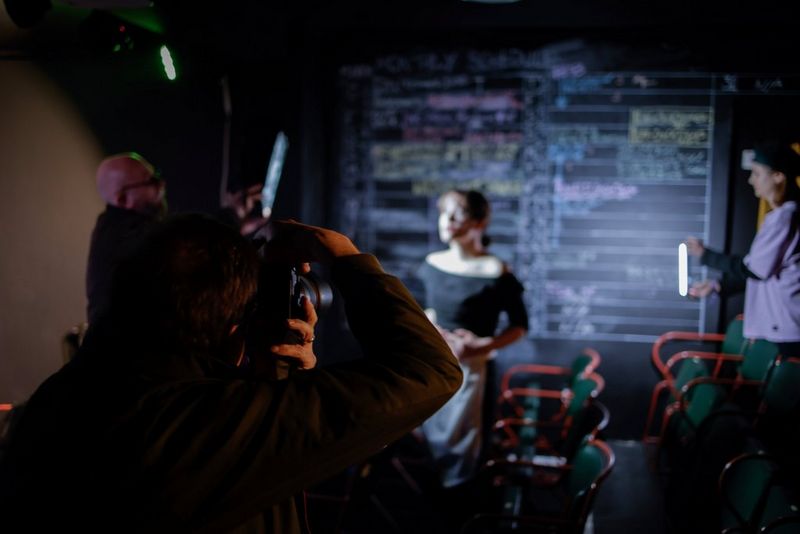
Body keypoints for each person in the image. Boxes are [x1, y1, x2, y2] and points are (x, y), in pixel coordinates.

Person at [0, 215, 462, 533]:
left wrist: (259, 383)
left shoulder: (60, 398)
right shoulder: (194, 423)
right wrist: (341, 255)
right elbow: (431, 368)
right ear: (236, 325)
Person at [418, 189, 528, 489]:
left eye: (459, 213)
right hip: (435, 363)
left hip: (474, 370)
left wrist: (481, 345)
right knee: (429, 444)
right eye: (444, 212)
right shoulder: (431, 263)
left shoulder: (496, 271)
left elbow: (520, 326)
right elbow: (428, 311)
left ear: (480, 222)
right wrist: (434, 329)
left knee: (466, 450)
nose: (448, 220)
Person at [687, 139, 800, 358]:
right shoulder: (783, 216)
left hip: (788, 329)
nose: (751, 180)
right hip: (784, 328)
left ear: (778, 176)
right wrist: (717, 285)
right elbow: (761, 271)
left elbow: (754, 269)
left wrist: (706, 256)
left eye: (757, 174)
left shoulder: (785, 218)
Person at [86, 152, 167, 325]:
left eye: (157, 176)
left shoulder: (116, 228)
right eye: (151, 181)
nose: (161, 184)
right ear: (123, 199)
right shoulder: (127, 237)